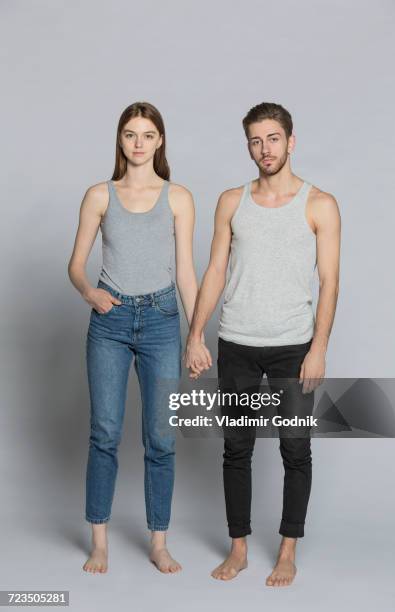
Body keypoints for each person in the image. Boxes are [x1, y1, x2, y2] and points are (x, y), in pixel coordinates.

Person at [185, 102, 340, 587]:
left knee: (296, 450)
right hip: (237, 343)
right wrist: (195, 335)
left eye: (273, 138)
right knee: (237, 449)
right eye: (255, 140)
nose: (264, 149)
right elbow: (214, 271)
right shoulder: (232, 201)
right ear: (247, 145)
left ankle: (288, 550)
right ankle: (238, 549)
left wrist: (319, 348)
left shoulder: (320, 204)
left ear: (290, 142)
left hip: (294, 346)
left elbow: (330, 282)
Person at [68, 101, 201, 574]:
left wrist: (196, 334)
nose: (139, 142)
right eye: (130, 134)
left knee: (161, 438)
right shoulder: (99, 195)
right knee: (104, 432)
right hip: (111, 320)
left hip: (163, 320)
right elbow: (75, 264)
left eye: (147, 134)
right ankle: (99, 540)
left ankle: (158, 542)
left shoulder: (179, 197)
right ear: (120, 140)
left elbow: (186, 272)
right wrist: (90, 293)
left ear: (160, 140)